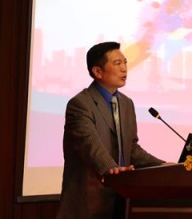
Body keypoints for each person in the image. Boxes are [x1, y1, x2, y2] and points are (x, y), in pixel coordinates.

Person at [56, 41, 165, 219]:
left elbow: (131, 149)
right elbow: (90, 145)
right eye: (117, 63)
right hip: (89, 203)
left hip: (122, 201)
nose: (124, 68)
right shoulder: (80, 104)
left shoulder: (126, 103)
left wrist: (162, 166)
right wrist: (112, 170)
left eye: (125, 62)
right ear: (97, 72)